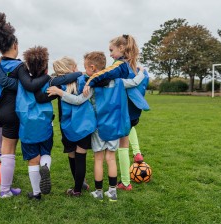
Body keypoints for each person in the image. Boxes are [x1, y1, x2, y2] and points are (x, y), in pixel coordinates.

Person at [47, 51, 146, 201]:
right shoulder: (119, 82)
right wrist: (142, 72)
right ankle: (112, 192)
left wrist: (61, 93)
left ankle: (99, 192)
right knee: (111, 159)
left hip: (99, 128)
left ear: (92, 68)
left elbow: (78, 100)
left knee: (99, 159)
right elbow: (135, 82)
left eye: (86, 67)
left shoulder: (91, 85)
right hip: (115, 127)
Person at [0, 12, 51, 198]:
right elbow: (27, 86)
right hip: (10, 112)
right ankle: (5, 191)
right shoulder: (19, 66)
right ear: (15, 45)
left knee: (0, 141)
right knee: (9, 151)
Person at [83, 34, 150, 191]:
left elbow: (106, 74)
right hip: (133, 112)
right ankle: (133, 162)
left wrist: (89, 81)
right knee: (125, 142)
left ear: (121, 48)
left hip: (121, 111)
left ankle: (125, 182)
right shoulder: (134, 65)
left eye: (111, 50)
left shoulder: (119, 64)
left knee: (121, 146)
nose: (110, 54)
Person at [15, 47, 82, 201]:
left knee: (33, 159)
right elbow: (63, 80)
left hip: (26, 126)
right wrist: (79, 73)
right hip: (45, 124)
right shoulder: (50, 82)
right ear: (45, 66)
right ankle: (45, 167)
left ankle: (36, 193)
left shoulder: (21, 82)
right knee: (45, 153)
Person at [51, 57, 95, 197]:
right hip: (85, 125)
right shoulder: (86, 81)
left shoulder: (59, 86)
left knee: (72, 155)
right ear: (73, 67)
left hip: (68, 126)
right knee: (81, 156)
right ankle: (78, 188)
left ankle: (78, 185)